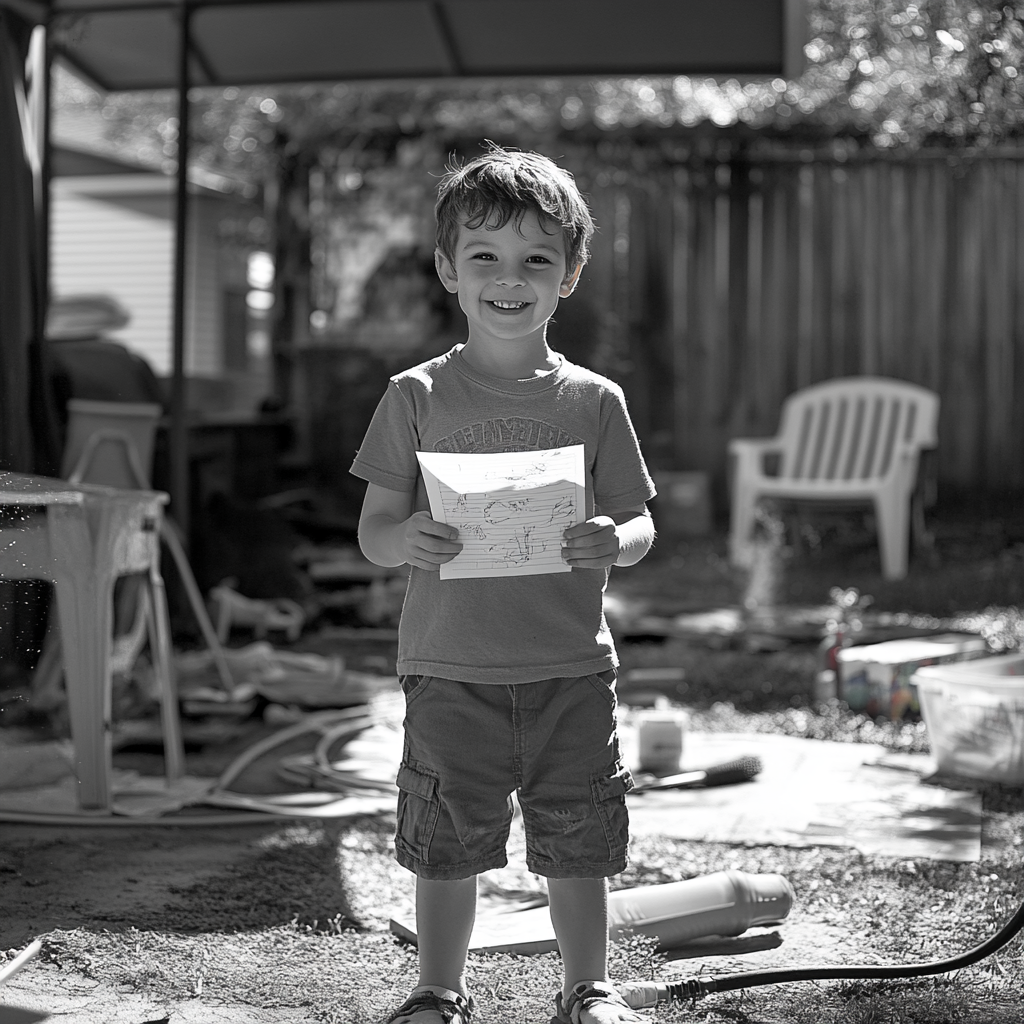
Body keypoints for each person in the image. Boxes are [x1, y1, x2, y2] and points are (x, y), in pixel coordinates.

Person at [350, 145, 656, 1024]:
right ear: (449, 269)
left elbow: (639, 524)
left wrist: (616, 540)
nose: (508, 278)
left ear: (569, 274)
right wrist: (404, 535)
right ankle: (438, 993)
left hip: (569, 667)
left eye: (536, 258)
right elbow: (373, 531)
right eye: (484, 256)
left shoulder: (595, 401)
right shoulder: (413, 397)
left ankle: (586, 991)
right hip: (450, 669)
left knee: (578, 839)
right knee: (445, 843)